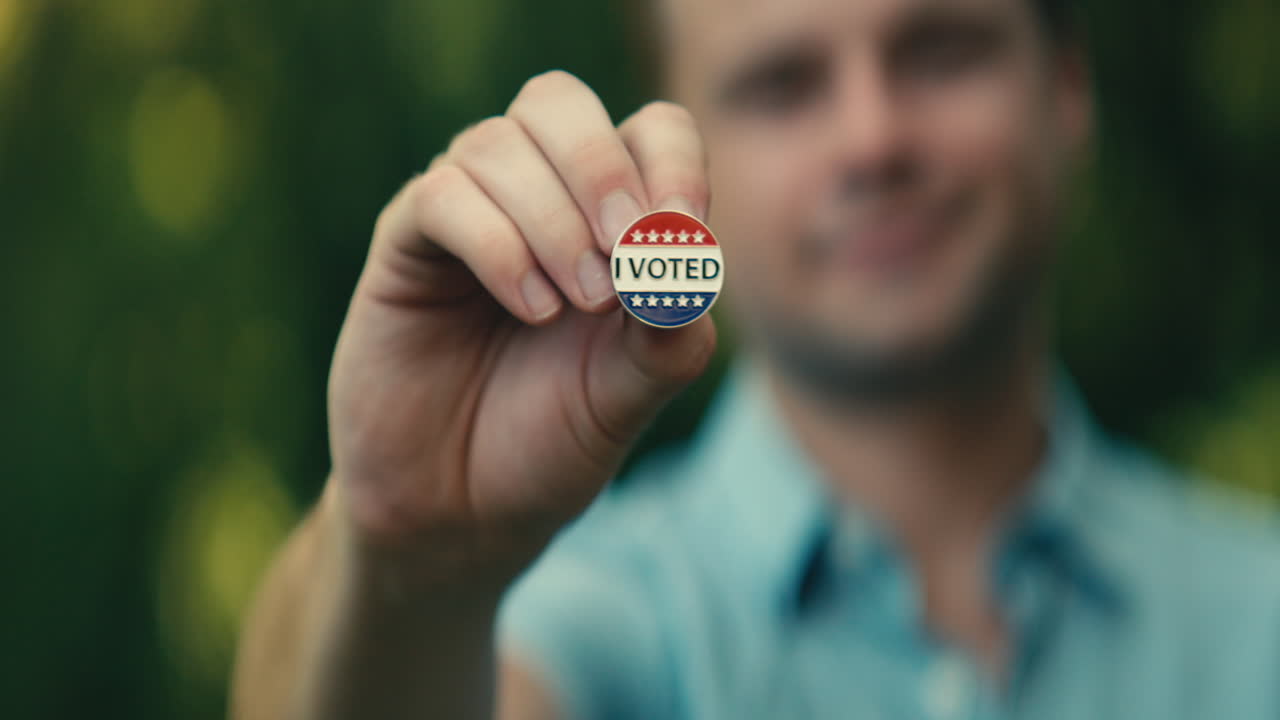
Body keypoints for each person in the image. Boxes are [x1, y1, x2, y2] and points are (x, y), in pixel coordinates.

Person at [231, 0, 1280, 717]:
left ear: (1064, 90)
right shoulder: (583, 620)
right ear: (676, 152)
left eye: (939, 48)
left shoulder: (1257, 616)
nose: (871, 139)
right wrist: (418, 562)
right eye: (781, 85)